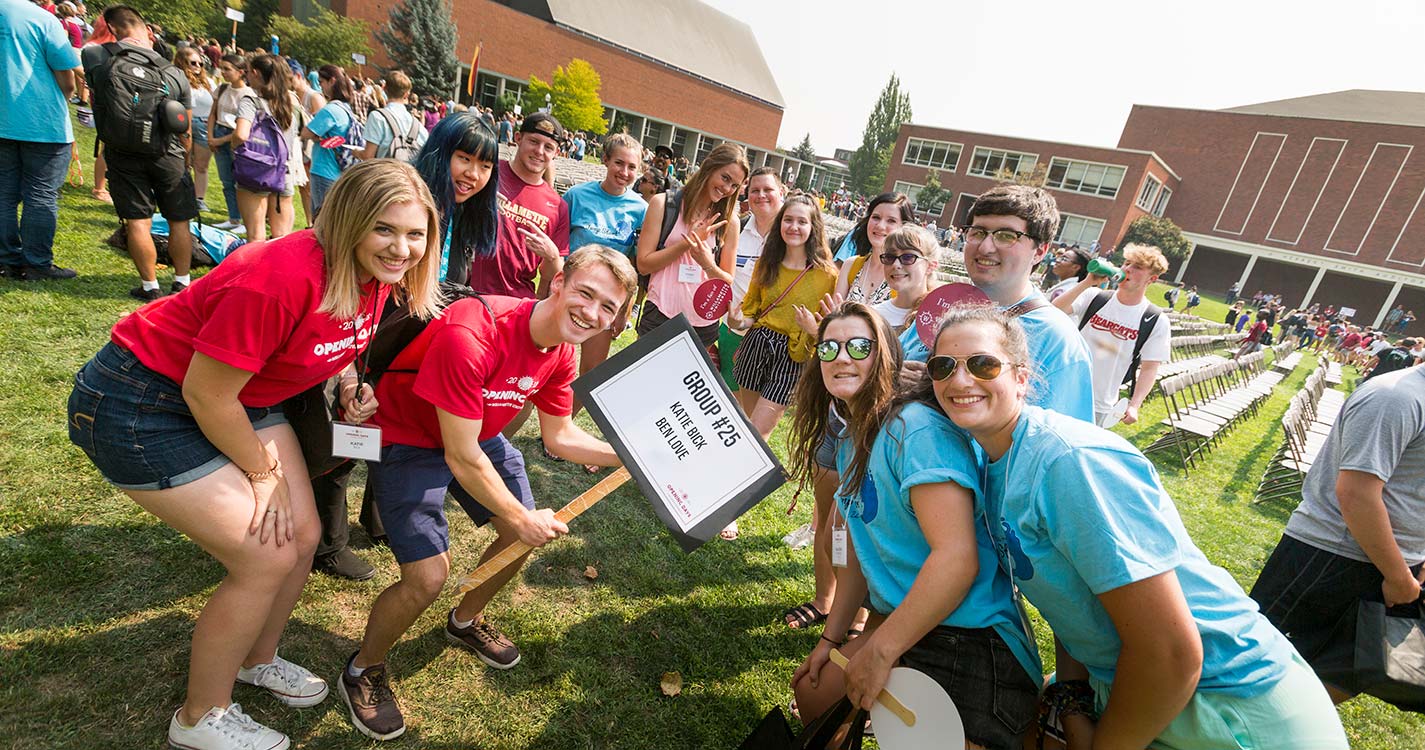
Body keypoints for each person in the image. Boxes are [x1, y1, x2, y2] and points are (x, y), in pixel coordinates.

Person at [65, 160, 442, 750]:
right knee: (264, 555)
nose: (402, 249)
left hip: (239, 395)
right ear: (347, 222)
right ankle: (199, 718)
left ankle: (254, 659)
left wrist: (346, 384)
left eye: (415, 234)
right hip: (141, 401)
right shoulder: (282, 275)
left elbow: (335, 337)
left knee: (304, 531)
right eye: (384, 230)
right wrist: (262, 475)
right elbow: (206, 393)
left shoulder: (373, 274)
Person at [926, 305, 1349, 749]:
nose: (959, 380)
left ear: (1022, 377)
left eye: (982, 364)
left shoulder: (1069, 462)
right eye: (943, 367)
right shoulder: (994, 465)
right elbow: (1074, 597)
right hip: (1140, 691)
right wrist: (1071, 695)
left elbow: (1170, 653)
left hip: (1231, 706)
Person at [339, 247, 636, 741]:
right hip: (410, 438)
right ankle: (362, 669)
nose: (593, 313)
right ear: (557, 283)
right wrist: (520, 515)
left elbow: (559, 435)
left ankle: (466, 620)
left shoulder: (563, 348)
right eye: (586, 293)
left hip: (473, 436)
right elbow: (460, 457)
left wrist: (630, 455)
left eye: (609, 307)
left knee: (521, 538)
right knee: (428, 577)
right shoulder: (474, 331)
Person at [787, 303, 1040, 750]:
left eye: (858, 346)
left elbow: (957, 560)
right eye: (829, 348)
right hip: (903, 620)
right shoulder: (852, 436)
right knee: (812, 692)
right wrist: (831, 638)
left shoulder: (914, 430)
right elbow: (853, 563)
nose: (841, 357)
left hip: (968, 635)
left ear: (884, 354)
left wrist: (879, 652)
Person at [1250, 364, 1425, 706]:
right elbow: (1357, 494)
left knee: (1342, 677)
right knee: (1262, 671)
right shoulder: (1396, 398)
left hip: (1397, 568)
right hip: (1332, 558)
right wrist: (1398, 576)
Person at [83, 4, 194, 300]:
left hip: (122, 151)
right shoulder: (175, 72)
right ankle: (182, 282)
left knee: (138, 221)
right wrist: (185, 158)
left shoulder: (96, 56)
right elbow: (185, 127)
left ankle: (150, 286)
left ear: (112, 30)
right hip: (168, 152)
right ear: (147, 30)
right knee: (178, 220)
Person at [728, 193, 838, 439]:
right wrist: (738, 321)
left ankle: (753, 475)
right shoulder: (767, 263)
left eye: (802, 222)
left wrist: (812, 328)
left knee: (759, 430)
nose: (794, 227)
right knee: (748, 423)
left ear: (813, 227)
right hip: (757, 345)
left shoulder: (828, 276)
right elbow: (751, 313)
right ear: (780, 224)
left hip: (792, 356)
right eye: (788, 220)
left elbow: (831, 333)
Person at [561, 132, 647, 415]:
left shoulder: (641, 210)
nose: (624, 172)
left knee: (592, 371)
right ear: (605, 160)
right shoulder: (576, 196)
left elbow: (635, 264)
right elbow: (558, 247)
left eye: (632, 167)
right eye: (619, 163)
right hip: (569, 293)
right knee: (545, 359)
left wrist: (625, 311)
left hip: (608, 302)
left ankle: (564, 424)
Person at [635, 142, 748, 352]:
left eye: (734, 185)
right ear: (709, 167)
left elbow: (727, 281)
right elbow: (643, 265)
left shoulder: (730, 222)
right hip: (660, 314)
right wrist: (688, 241)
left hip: (703, 323)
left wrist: (707, 264)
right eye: (725, 178)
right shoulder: (663, 204)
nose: (727, 189)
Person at [0, 0, 82, 280]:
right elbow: (66, 76)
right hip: (41, 121)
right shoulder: (43, 20)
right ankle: (36, 263)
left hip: (4, 120)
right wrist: (68, 95)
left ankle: (6, 259)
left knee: (4, 193)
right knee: (41, 195)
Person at [1053, 243, 1171, 426]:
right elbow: (1054, 310)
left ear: (1152, 279)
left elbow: (1149, 368)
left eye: (1137, 267)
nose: (1127, 269)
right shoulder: (1094, 296)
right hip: (1061, 389)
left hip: (1100, 405)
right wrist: (1087, 282)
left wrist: (1134, 405)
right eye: (1126, 263)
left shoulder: (1155, 319)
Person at [467, 111, 570, 299]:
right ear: (518, 138)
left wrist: (552, 255)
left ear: (556, 153)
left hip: (514, 304)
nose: (539, 151)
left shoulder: (558, 206)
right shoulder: (488, 171)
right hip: (466, 291)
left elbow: (553, 274)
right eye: (533, 141)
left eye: (548, 147)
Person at [718, 167, 785, 389]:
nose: (761, 195)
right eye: (755, 190)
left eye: (768, 189)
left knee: (755, 411)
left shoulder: (793, 234)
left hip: (770, 338)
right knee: (727, 400)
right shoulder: (735, 229)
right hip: (732, 330)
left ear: (782, 191)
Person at [232, 53, 302, 242]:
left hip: (255, 169)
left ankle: (255, 270)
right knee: (281, 237)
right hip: (283, 170)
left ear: (255, 73)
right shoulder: (291, 104)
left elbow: (241, 134)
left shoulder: (251, 101)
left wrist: (233, 146)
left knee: (256, 235)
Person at [830, 192, 914, 307]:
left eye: (891, 221)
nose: (880, 226)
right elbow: (834, 316)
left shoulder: (908, 275)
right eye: (876, 217)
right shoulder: (851, 265)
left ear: (904, 227)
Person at [303, 64, 357, 217]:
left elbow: (305, 133)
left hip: (323, 170)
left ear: (332, 81)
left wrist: (314, 134)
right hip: (340, 171)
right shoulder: (346, 108)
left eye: (321, 82)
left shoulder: (330, 110)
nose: (320, 87)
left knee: (321, 220)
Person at [207, 52, 249, 232]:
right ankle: (233, 218)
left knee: (241, 181)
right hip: (219, 130)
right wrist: (210, 137)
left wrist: (220, 140)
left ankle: (245, 220)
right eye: (222, 68)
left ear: (240, 72)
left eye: (227, 69)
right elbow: (212, 114)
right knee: (226, 180)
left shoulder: (248, 94)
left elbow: (244, 125)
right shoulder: (222, 89)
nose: (223, 72)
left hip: (235, 137)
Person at [174, 45, 215, 213]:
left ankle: (199, 199)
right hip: (183, 123)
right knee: (182, 162)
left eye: (200, 63)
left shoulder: (208, 83)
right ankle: (178, 194)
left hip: (204, 124)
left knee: (201, 165)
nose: (197, 66)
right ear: (183, 62)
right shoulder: (178, 79)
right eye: (193, 63)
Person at [286, 58, 324, 227]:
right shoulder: (292, 96)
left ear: (299, 75)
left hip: (310, 149)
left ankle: (312, 224)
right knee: (302, 188)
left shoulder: (314, 97)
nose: (287, 83)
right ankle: (309, 223)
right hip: (297, 148)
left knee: (308, 188)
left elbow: (322, 129)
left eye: (289, 79)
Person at [359, 70, 426, 162]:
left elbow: (368, 156)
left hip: (383, 173)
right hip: (408, 174)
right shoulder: (417, 124)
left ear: (385, 89)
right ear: (406, 94)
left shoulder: (377, 117)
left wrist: (355, 152)